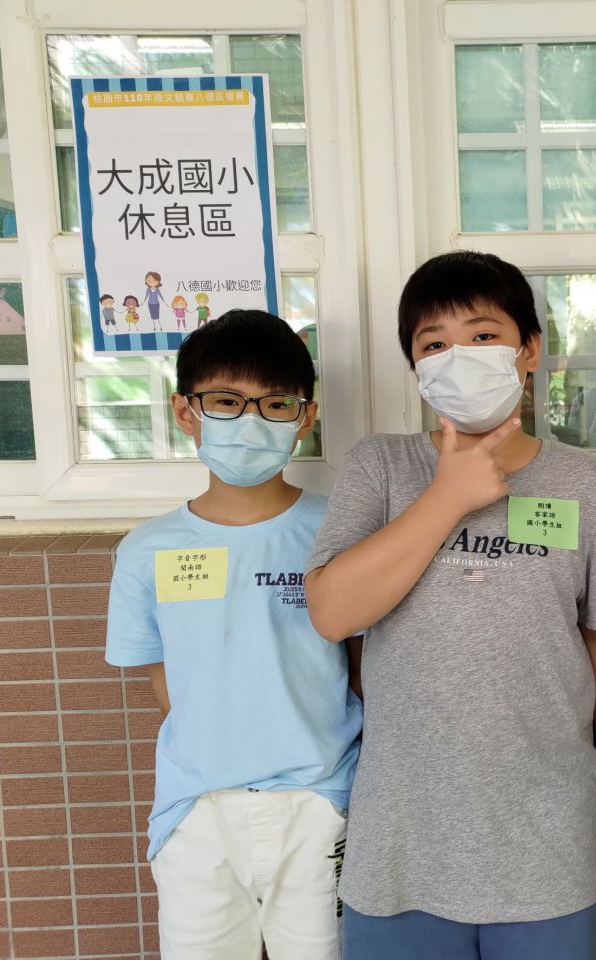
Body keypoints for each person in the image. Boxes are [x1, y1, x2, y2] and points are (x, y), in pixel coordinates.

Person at [304, 250, 596, 960]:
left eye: (483, 335)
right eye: (434, 345)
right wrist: (447, 497)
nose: (459, 357)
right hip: (403, 843)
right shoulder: (381, 466)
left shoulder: (580, 483)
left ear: (529, 351)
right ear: (416, 368)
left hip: (547, 834)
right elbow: (332, 611)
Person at [105, 310, 362, 960]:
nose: (250, 421)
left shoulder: (341, 531)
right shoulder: (146, 550)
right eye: (225, 401)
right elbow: (167, 684)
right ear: (185, 412)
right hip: (197, 810)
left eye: (274, 404)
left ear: (305, 418)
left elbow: (364, 661)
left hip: (318, 802)